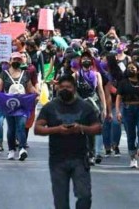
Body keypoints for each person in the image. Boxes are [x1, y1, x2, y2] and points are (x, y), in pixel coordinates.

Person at [35, 75, 102, 209]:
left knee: (84, 196)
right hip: (57, 159)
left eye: (68, 87)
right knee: (61, 201)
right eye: (62, 87)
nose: (65, 90)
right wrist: (57, 129)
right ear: (58, 88)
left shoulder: (85, 107)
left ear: (75, 88)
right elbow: (37, 128)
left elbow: (98, 128)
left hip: (80, 158)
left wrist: (81, 128)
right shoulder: (50, 107)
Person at [0, 52, 37, 161]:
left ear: (21, 61)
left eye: (18, 59)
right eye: (14, 59)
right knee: (11, 128)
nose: (16, 61)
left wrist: (37, 92)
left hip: (22, 105)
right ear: (10, 61)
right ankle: (11, 150)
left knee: (21, 126)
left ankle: (22, 149)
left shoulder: (25, 74)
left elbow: (30, 87)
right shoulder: (4, 74)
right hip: (9, 105)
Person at [73, 51, 107, 165]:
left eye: (88, 59)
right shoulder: (76, 75)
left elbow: (101, 91)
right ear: (80, 61)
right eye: (84, 59)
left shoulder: (97, 75)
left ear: (92, 61)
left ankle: (91, 154)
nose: (86, 61)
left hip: (94, 105)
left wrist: (104, 108)